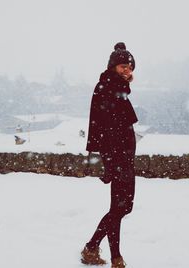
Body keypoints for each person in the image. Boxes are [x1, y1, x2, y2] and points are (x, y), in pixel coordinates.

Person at [81, 42, 138, 268]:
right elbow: (104, 128)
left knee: (123, 207)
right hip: (118, 158)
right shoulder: (107, 87)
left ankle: (93, 248)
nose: (128, 71)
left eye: (130, 67)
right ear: (113, 66)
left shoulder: (116, 87)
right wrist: (111, 162)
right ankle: (114, 257)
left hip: (123, 158)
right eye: (123, 66)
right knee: (119, 207)